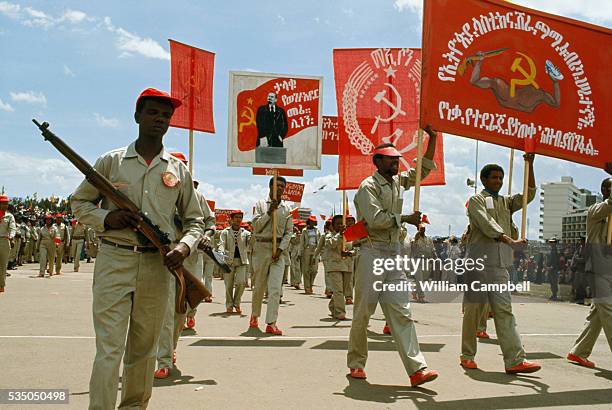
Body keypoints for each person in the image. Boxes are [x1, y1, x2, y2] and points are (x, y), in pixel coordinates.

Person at [71, 88, 205, 409]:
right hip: (115, 259)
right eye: (153, 113)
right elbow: (79, 203)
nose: (160, 119)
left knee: (143, 351)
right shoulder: (111, 162)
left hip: (158, 266)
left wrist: (183, 249)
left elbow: (195, 221)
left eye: (166, 115)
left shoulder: (178, 170)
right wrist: (107, 217)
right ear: (137, 117)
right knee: (109, 349)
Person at [347, 125, 439, 387]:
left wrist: (433, 138)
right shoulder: (368, 187)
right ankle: (356, 364)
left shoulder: (398, 182)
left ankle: (417, 369)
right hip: (371, 253)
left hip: (394, 255)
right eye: (391, 159)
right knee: (363, 314)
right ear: (378, 162)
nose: (397, 163)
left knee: (402, 312)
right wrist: (405, 218)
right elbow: (375, 220)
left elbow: (424, 168)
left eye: (398, 159)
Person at [460, 154, 542, 374]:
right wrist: (510, 241)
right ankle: (467, 355)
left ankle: (514, 359)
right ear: (484, 180)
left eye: (500, 178)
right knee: (474, 312)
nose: (498, 181)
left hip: (500, 266)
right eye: (494, 178)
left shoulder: (506, 202)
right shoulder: (476, 201)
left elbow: (529, 194)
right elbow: (487, 225)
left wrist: (530, 165)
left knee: (504, 311)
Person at [566, 172, 612, 368]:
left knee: (597, 315)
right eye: (610, 187)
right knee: (609, 311)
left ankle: (579, 352)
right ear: (603, 191)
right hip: (598, 268)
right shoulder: (596, 210)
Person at [249, 176, 293, 335]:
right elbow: (256, 227)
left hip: (279, 251)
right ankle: (254, 315)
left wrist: (280, 250)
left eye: (282, 186)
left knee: (275, 289)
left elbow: (289, 233)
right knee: (259, 286)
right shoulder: (260, 205)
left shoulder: (287, 209)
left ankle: (271, 322)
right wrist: (269, 212)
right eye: (277, 185)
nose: (280, 188)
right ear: (270, 187)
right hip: (262, 247)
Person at [468, 50, 561, 113]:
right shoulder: (498, 84)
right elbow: (474, 81)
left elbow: (556, 104)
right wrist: (479, 62)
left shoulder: (537, 94)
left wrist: (555, 82)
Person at [218, 210, 250, 314]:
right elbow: (221, 244)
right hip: (228, 261)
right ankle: (229, 305)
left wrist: (254, 234)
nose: (238, 219)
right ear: (231, 219)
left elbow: (252, 243)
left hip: (242, 261)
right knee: (229, 285)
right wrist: (221, 253)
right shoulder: (225, 232)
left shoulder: (245, 233)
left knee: (241, 282)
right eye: (236, 217)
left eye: (240, 217)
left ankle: (237, 303)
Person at [325, 215, 354, 320]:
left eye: (342, 224)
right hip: (335, 266)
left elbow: (356, 247)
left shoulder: (350, 235)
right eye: (337, 224)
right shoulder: (329, 235)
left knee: (343, 290)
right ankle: (340, 312)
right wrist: (340, 235)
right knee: (338, 291)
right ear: (332, 226)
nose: (340, 226)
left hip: (347, 266)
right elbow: (331, 244)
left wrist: (350, 253)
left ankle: (333, 305)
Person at [411, 223, 436, 303]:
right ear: (419, 229)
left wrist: (436, 258)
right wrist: (415, 239)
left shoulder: (429, 239)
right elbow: (411, 247)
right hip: (417, 261)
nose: (423, 230)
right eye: (421, 229)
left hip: (427, 261)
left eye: (424, 229)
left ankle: (414, 291)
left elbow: (433, 249)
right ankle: (421, 296)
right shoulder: (414, 239)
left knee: (424, 279)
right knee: (419, 279)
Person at [299, 215, 320, 295]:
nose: (312, 223)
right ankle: (307, 287)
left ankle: (311, 285)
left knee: (314, 270)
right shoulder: (304, 231)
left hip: (315, 250)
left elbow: (320, 242)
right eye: (311, 221)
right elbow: (301, 243)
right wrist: (300, 253)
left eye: (314, 222)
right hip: (306, 250)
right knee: (306, 270)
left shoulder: (317, 230)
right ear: (308, 222)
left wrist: (320, 253)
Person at [0, 195, 16, 292]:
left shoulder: (9, 216)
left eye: (6, 203)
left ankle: (1, 285)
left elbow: (12, 228)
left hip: (4, 241)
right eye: (3, 203)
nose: (5, 205)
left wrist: (11, 237)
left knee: (3, 265)